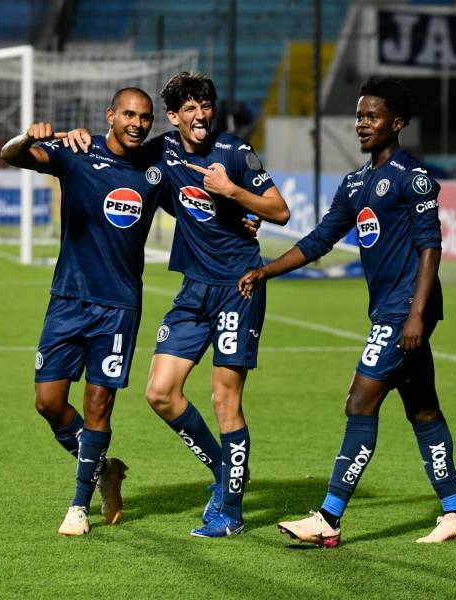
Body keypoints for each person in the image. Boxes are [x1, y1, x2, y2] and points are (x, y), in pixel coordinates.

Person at [238, 76, 456, 547]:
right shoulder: (355, 183)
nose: (362, 124)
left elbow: (431, 248)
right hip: (390, 310)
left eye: (372, 116)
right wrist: (267, 270)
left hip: (404, 312)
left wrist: (414, 316)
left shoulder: (414, 178)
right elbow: (319, 240)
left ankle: (329, 517)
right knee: (423, 411)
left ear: (397, 123)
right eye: (360, 116)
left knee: (359, 402)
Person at [0, 88, 164, 536]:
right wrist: (27, 135)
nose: (137, 123)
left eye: (145, 117)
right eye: (128, 114)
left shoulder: (155, 170)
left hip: (119, 306)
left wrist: (241, 218)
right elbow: (13, 155)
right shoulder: (77, 150)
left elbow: (194, 206)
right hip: (68, 299)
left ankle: (78, 506)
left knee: (97, 405)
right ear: (110, 115)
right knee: (48, 402)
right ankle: (105, 468)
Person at [141, 72, 290, 538]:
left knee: (225, 398)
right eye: (189, 107)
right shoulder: (163, 151)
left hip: (238, 287)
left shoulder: (235, 154)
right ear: (173, 116)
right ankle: (227, 472)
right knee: (160, 393)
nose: (200, 114)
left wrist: (233, 194)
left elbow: (280, 211)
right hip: (193, 289)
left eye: (205, 105)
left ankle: (230, 513)